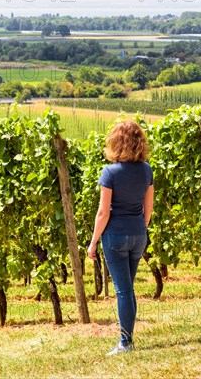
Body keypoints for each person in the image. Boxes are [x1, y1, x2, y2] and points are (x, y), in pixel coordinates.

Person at [87, 120, 154, 356]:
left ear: (116, 142)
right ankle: (128, 339)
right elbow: (149, 207)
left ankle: (126, 343)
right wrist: (141, 228)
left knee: (123, 291)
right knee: (128, 288)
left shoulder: (110, 172)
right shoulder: (146, 169)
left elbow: (103, 212)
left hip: (115, 236)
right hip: (138, 235)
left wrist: (93, 241)